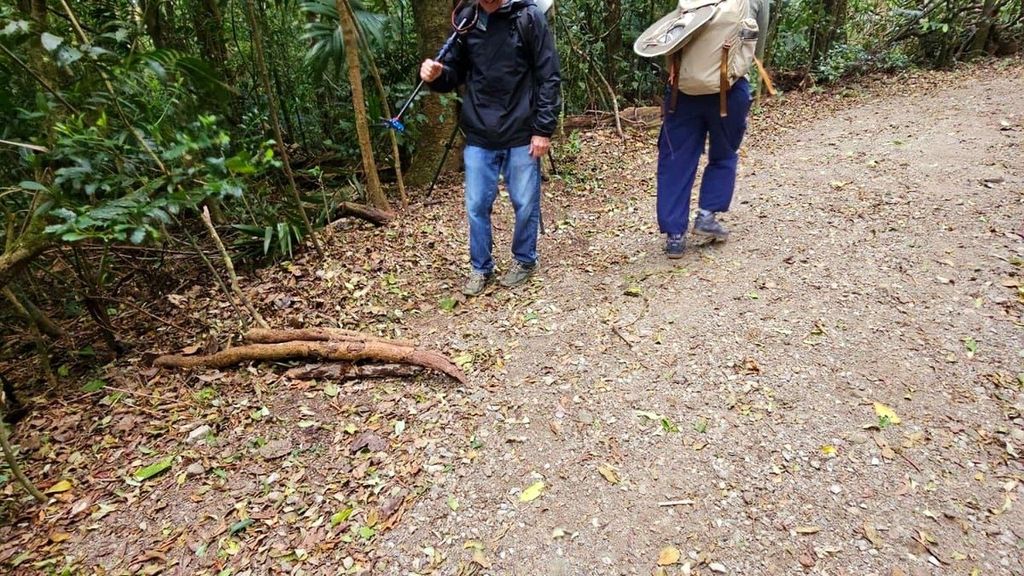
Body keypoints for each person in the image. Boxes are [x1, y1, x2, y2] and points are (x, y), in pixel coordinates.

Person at [420, 0, 561, 296]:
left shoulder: (528, 17)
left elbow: (548, 76)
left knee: (525, 204)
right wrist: (436, 76)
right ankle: (480, 268)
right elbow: (454, 72)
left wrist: (543, 130)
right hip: (479, 133)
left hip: (522, 132)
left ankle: (524, 261)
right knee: (476, 207)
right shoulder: (467, 18)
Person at [657, 0, 770, 258]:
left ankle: (675, 235)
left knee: (676, 159)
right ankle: (707, 216)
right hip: (729, 90)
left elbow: (669, 38)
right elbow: (757, 43)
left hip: (681, 93)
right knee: (724, 153)